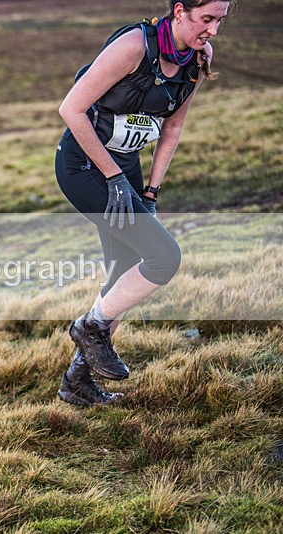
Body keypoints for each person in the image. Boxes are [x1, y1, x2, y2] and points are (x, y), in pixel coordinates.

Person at [54, 1, 234, 406]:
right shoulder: (135, 45)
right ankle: (90, 328)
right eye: (206, 19)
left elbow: (172, 127)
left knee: (122, 275)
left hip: (126, 167)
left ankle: (77, 381)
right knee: (163, 256)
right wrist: (114, 179)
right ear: (179, 10)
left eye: (220, 21)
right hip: (83, 165)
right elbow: (71, 109)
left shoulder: (198, 58)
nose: (213, 32)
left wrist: (149, 191)